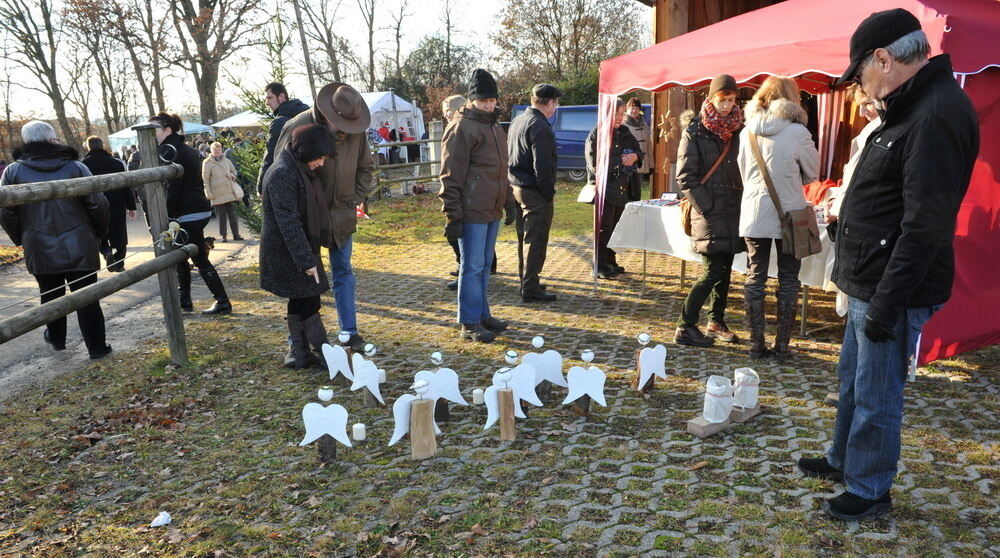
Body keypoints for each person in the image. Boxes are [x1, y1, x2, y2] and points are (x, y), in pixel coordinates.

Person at [797, 9, 979, 522]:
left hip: (890, 287)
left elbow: (925, 224)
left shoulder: (935, 113)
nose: (860, 85)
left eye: (860, 74)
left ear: (883, 59)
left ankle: (870, 486)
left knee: (877, 393)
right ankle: (844, 459)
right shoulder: (911, 106)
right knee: (854, 381)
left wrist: (888, 301)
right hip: (869, 278)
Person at [273, 82, 375, 351]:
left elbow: (366, 168)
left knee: (344, 272)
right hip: (307, 217)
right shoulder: (297, 126)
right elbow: (282, 171)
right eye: (341, 125)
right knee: (304, 279)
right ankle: (298, 341)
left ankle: (349, 332)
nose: (345, 131)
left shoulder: (356, 132)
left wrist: (353, 197)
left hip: (342, 215)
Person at [0, 121, 112, 359]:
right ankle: (97, 348)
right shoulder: (76, 167)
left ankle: (57, 339)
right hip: (80, 241)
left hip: (38, 243)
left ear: (27, 141)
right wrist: (99, 233)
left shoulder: (13, 172)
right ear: (53, 139)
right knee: (87, 298)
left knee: (50, 294)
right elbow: (98, 203)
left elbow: (7, 212)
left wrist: (21, 237)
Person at [736, 76, 819, 360]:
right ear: (792, 98)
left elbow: (743, 172)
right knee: (788, 279)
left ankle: (756, 344)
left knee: (755, 277)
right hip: (790, 212)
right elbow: (812, 173)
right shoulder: (798, 132)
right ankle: (782, 346)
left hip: (754, 211)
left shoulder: (747, 131)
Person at [439, 68, 516, 343]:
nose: (488, 105)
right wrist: (452, 215)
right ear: (472, 100)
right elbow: (450, 175)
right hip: (471, 210)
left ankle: (482, 314)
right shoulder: (461, 127)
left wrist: (509, 201)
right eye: (483, 100)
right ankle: (469, 322)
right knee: (471, 267)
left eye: (492, 100)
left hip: (491, 207)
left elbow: (501, 169)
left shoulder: (494, 126)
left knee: (483, 266)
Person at [674, 75, 745, 347]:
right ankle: (685, 325)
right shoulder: (695, 131)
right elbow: (685, 177)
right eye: (722, 99)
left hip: (733, 210)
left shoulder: (739, 130)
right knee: (712, 271)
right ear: (712, 98)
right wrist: (708, 206)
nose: (727, 105)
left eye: (731, 100)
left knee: (725, 270)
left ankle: (716, 321)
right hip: (709, 212)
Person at [260, 124, 335, 368]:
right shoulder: (283, 173)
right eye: (319, 157)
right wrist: (306, 261)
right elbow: (288, 222)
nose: (321, 163)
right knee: (307, 300)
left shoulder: (297, 169)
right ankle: (321, 354)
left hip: (299, 247)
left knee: (305, 299)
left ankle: (302, 354)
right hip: (288, 252)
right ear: (307, 150)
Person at [149, 112, 232, 315]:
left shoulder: (172, 151)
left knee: (197, 258)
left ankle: (222, 301)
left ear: (167, 129)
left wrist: (168, 215)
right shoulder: (181, 148)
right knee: (181, 256)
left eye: (154, 129)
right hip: (195, 208)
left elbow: (174, 187)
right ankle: (185, 300)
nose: (151, 134)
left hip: (188, 211)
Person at [508, 83, 562, 302]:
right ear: (549, 103)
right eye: (556, 103)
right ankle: (530, 286)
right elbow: (543, 165)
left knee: (524, 237)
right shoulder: (540, 126)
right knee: (536, 239)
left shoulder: (518, 120)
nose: (556, 108)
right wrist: (547, 193)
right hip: (534, 190)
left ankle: (527, 280)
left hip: (516, 186)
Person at [585, 99, 642, 279]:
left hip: (622, 189)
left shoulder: (624, 131)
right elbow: (595, 163)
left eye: (622, 113)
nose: (619, 117)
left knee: (616, 228)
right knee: (604, 228)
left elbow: (639, 152)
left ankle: (611, 261)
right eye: (616, 113)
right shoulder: (597, 134)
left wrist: (635, 156)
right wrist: (621, 161)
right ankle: (599, 265)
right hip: (605, 189)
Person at [82, 136, 135, 272]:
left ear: (88, 147)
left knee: (100, 231)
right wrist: (131, 206)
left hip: (94, 204)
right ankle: (119, 262)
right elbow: (125, 186)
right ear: (102, 145)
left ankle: (106, 251)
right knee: (120, 233)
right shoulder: (116, 163)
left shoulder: (83, 165)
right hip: (117, 202)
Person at [256, 82, 310, 194]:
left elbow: (270, 156)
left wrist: (261, 187)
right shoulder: (308, 115)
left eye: (269, 98)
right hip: (313, 179)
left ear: (281, 96)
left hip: (288, 183)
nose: (267, 103)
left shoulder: (279, 122)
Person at [202, 141, 244, 242]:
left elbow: (234, 171)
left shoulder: (227, 161)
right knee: (221, 217)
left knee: (233, 216)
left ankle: (236, 235)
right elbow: (205, 180)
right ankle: (223, 236)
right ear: (211, 151)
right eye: (215, 150)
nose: (217, 152)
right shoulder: (207, 163)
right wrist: (208, 193)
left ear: (221, 150)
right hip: (217, 194)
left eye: (219, 150)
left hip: (230, 192)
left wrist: (232, 176)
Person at [622, 97, 652, 176]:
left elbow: (648, 146)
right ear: (627, 109)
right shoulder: (622, 125)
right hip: (629, 165)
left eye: (636, 108)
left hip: (642, 163)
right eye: (632, 108)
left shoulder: (644, 125)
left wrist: (651, 165)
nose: (634, 110)